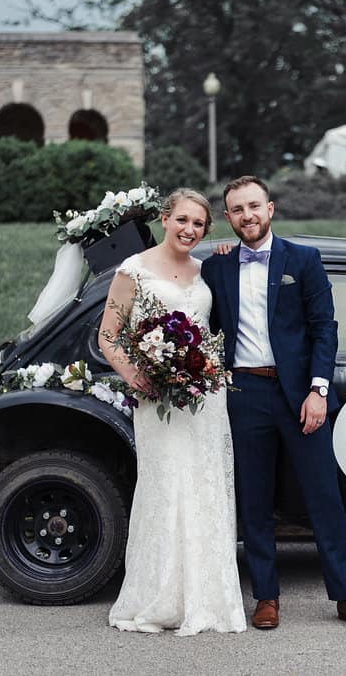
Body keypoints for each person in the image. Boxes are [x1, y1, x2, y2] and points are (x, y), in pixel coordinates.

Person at [201, 175, 346, 630]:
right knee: (254, 501)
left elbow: (325, 328)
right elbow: (207, 330)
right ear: (228, 218)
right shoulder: (216, 268)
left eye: (254, 206)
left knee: (324, 498)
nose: (248, 216)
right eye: (238, 210)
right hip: (244, 394)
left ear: (271, 209)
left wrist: (318, 390)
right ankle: (265, 597)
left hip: (301, 396)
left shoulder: (303, 259)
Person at [99, 188, 246, 636]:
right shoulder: (134, 271)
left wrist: (224, 257)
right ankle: (158, 597)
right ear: (165, 219)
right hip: (158, 399)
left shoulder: (205, 270)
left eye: (198, 224)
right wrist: (136, 373)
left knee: (205, 489)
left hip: (205, 398)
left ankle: (208, 598)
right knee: (165, 486)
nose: (189, 230)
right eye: (182, 220)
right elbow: (109, 335)